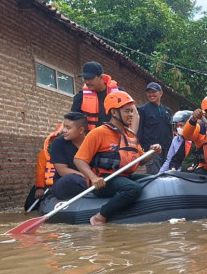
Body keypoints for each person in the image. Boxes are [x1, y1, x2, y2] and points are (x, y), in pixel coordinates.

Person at [73, 91, 161, 225]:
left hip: (124, 177)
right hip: (104, 181)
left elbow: (141, 160)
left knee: (156, 179)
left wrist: (151, 152)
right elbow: (79, 160)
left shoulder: (130, 135)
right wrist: (93, 178)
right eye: (127, 111)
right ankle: (99, 217)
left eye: (132, 111)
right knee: (133, 189)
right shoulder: (98, 133)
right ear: (114, 113)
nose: (131, 115)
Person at [47, 112, 90, 200]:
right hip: (66, 183)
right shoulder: (58, 143)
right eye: (64, 127)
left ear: (81, 130)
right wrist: (88, 177)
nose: (64, 130)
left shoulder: (92, 142)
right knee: (72, 179)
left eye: (68, 128)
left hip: (89, 181)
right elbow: (62, 170)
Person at [70, 61, 122, 132]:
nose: (87, 82)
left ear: (101, 77)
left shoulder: (119, 93)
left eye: (90, 79)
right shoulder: (80, 97)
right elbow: (71, 120)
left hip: (114, 137)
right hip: (90, 138)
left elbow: (133, 114)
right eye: (85, 79)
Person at [137, 82, 174, 174]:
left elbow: (170, 132)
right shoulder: (142, 110)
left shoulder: (167, 111)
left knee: (167, 177)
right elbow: (139, 131)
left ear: (161, 93)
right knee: (154, 178)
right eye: (149, 92)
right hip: (153, 151)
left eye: (154, 92)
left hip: (166, 150)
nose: (151, 94)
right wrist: (141, 150)